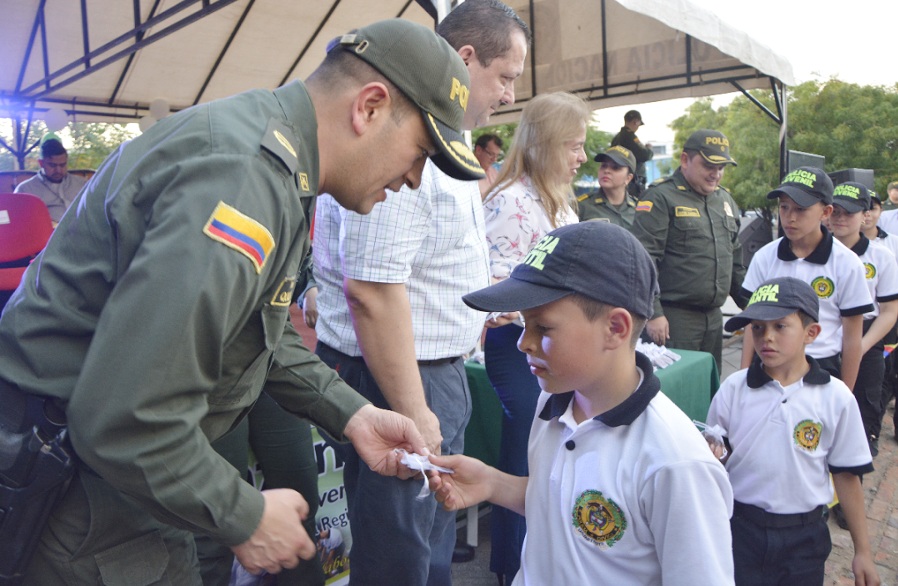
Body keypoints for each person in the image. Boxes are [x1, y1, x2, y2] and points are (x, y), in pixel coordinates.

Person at [0, 19, 476, 584]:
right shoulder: (244, 179)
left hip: (116, 482)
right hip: (83, 496)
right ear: (369, 107)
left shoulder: (274, 160)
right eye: (421, 152)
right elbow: (124, 419)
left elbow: (249, 334)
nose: (415, 180)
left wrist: (355, 414)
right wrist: (246, 515)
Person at [311, 2, 531, 584]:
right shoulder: (413, 144)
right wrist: (414, 408)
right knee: (399, 556)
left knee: (426, 545)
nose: (510, 94)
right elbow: (373, 289)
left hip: (422, 371)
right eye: (506, 75)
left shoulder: (442, 146)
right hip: (401, 377)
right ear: (464, 59)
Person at [428, 221, 735, 585]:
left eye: (542, 328)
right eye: (524, 325)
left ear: (616, 328)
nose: (522, 343)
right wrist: (493, 484)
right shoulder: (553, 402)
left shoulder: (675, 464)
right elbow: (564, 509)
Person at [708, 276, 880, 586]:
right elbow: (717, 453)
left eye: (780, 326)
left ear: (811, 333)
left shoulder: (835, 397)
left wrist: (863, 551)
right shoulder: (734, 389)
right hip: (741, 529)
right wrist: (713, 453)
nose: (766, 338)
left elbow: (846, 475)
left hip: (804, 537)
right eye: (757, 328)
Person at [481, 90, 589, 583]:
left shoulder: (562, 205)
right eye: (574, 146)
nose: (582, 158)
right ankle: (512, 569)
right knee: (527, 461)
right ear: (546, 144)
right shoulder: (510, 202)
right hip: (519, 349)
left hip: (559, 349)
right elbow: (494, 289)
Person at [739, 168, 873, 393]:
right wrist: (742, 381)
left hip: (822, 368)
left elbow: (852, 339)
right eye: (784, 207)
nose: (790, 217)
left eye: (801, 209)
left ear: (825, 212)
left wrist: (845, 396)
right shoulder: (765, 257)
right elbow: (751, 326)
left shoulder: (847, 263)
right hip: (768, 367)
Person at [631, 128, 746, 369]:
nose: (716, 174)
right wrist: (653, 312)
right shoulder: (660, 198)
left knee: (708, 390)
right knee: (676, 392)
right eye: (709, 166)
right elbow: (643, 259)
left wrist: (753, 308)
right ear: (685, 160)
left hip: (714, 319)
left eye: (721, 168)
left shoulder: (725, 200)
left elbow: (735, 261)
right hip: (674, 320)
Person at [825, 182, 898, 458]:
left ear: (865, 215)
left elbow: (890, 310)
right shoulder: (815, 253)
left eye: (850, 212)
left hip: (867, 339)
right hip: (826, 336)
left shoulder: (881, 256)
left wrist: (861, 346)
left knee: (862, 412)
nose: (840, 218)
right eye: (836, 212)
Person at [14, 134, 87, 224]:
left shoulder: (81, 184)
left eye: (63, 165)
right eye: (52, 165)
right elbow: (19, 222)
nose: (58, 170)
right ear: (41, 163)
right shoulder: (25, 190)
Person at [576, 144, 638, 229]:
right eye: (604, 166)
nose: (607, 171)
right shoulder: (582, 206)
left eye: (615, 167)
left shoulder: (638, 209)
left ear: (628, 178)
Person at [610, 109, 653, 197]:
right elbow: (644, 155)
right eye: (638, 124)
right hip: (633, 180)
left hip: (619, 177)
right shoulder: (631, 137)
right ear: (636, 122)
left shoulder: (616, 138)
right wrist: (649, 149)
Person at [474, 133, 504, 199]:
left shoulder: (494, 171)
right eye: (491, 154)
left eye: (497, 156)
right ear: (478, 150)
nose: (494, 159)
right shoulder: (467, 173)